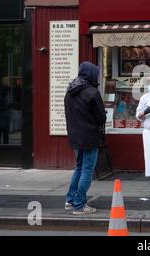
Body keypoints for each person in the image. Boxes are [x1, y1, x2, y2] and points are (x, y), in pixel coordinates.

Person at [64, 61, 107, 215]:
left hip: (75, 136)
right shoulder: (92, 92)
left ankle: (70, 200)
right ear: (91, 74)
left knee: (79, 168)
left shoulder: (70, 91)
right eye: (96, 73)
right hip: (89, 136)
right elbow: (101, 117)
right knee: (87, 170)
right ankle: (79, 205)